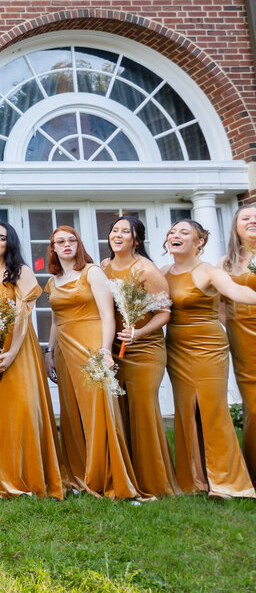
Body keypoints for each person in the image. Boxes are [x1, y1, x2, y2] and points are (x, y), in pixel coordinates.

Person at [44, 225, 143, 500]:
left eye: (71, 240)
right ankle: (79, 475)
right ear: (52, 248)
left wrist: (105, 350)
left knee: (99, 410)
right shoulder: (51, 282)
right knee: (72, 413)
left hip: (90, 346)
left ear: (79, 244)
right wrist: (49, 352)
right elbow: (54, 320)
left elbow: (107, 314)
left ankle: (111, 478)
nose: (66, 245)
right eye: (59, 242)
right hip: (63, 350)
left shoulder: (92, 272)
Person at [163, 220, 256, 498]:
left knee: (212, 410)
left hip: (208, 347)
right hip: (176, 347)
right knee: (186, 410)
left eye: (183, 232)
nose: (174, 236)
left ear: (199, 242)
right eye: (171, 232)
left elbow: (238, 292)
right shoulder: (163, 271)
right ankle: (195, 480)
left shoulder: (208, 272)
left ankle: (228, 482)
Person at [0, 221, 64, 499]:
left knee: (23, 409)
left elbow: (25, 314)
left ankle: (30, 477)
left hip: (20, 348)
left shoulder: (21, 272)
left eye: (2, 238)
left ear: (9, 244)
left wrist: (11, 352)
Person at [100, 215, 175, 497]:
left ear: (137, 239)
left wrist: (139, 334)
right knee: (121, 411)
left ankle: (154, 482)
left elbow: (164, 313)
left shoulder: (146, 270)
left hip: (145, 349)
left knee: (143, 411)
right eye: (114, 230)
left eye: (125, 231)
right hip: (116, 350)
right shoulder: (104, 267)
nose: (117, 235)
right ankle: (126, 476)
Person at [221, 205, 256, 484]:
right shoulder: (226, 263)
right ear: (236, 226)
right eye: (246, 218)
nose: (252, 221)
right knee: (253, 404)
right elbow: (220, 304)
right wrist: (230, 324)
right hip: (243, 334)